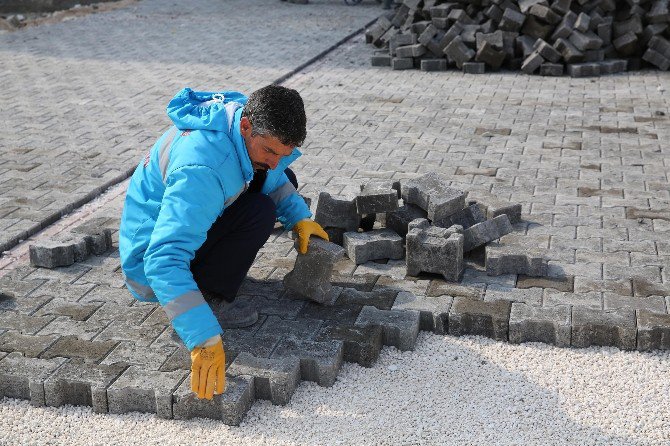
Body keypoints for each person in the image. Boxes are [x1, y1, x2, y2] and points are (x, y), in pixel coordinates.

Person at [118, 85, 328, 400]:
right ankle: (209, 299)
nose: (274, 161)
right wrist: (200, 334)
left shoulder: (242, 118)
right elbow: (163, 259)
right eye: (269, 151)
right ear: (246, 127)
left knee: (282, 180)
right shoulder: (203, 170)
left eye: (281, 153)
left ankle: (213, 278)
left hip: (178, 224)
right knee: (259, 211)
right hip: (149, 270)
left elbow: (274, 176)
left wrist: (298, 217)